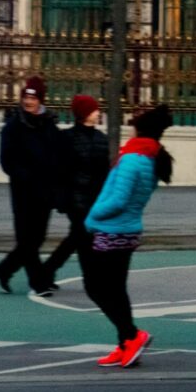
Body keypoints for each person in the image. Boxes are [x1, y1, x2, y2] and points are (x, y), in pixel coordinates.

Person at [82, 104, 174, 368]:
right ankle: (126, 343)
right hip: (128, 230)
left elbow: (119, 199)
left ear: (139, 131)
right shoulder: (150, 158)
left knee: (96, 287)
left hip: (112, 230)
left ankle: (132, 335)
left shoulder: (133, 158)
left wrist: (93, 215)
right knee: (115, 289)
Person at [0, 76, 62, 297]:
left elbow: (56, 155)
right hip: (23, 192)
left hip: (45, 191)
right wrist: (25, 176)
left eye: (33, 97)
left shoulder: (48, 123)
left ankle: (4, 269)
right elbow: (6, 161)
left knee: (37, 238)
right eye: (26, 97)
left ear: (40, 100)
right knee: (27, 239)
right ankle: (39, 282)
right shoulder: (13, 126)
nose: (28, 101)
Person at [43, 95, 110, 285]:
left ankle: (47, 271)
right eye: (94, 109)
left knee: (78, 237)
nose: (98, 113)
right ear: (84, 113)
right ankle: (90, 278)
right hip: (75, 198)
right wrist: (62, 198)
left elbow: (104, 170)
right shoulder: (67, 138)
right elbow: (61, 170)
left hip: (94, 198)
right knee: (82, 237)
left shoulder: (101, 139)